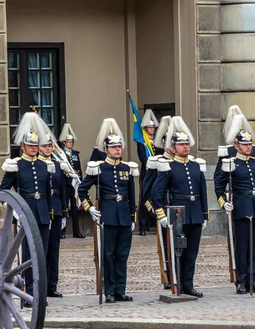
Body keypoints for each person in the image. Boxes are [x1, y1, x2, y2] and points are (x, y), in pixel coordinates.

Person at [78, 118, 139, 303]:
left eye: (119, 147)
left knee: (122, 254)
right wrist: (89, 208)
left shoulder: (126, 168)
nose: (117, 150)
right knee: (108, 255)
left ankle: (121, 289)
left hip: (123, 217)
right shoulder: (99, 169)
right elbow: (82, 190)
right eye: (113, 147)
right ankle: (110, 290)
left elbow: (131, 194)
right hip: (108, 215)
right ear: (106, 150)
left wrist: (132, 215)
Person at [0, 112, 55, 307]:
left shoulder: (44, 166)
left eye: (35, 145)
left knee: (43, 254)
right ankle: (28, 293)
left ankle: (40, 294)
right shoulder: (16, 166)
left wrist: (51, 213)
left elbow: (48, 193)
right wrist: (12, 211)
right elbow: (5, 191)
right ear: (22, 146)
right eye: (30, 145)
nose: (33, 148)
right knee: (28, 257)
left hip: (42, 213)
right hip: (25, 212)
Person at [151, 116, 208, 298]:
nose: (185, 147)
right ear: (173, 147)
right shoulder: (168, 166)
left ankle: (188, 284)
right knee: (178, 251)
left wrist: (204, 214)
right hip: (177, 213)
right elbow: (156, 193)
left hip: (195, 213)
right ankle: (177, 283)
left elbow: (203, 192)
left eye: (187, 144)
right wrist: (161, 214)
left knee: (192, 252)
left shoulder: (195, 166)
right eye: (181, 145)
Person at [215, 113, 255, 294]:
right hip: (240, 206)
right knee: (242, 245)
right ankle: (241, 280)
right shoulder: (230, 163)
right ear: (236, 146)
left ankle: (253, 278)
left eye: (250, 144)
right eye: (245, 144)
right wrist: (224, 203)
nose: (248, 147)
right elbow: (219, 185)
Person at [37, 130, 73, 298]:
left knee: (54, 249)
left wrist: (64, 212)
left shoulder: (58, 164)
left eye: (50, 146)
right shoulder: (35, 165)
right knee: (40, 249)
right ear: (38, 148)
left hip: (56, 209)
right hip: (41, 208)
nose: (48, 149)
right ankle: (40, 286)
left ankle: (52, 285)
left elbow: (63, 189)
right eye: (44, 146)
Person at [142, 115, 174, 289]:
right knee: (166, 246)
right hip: (163, 208)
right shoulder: (157, 162)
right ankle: (167, 275)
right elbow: (147, 192)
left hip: (178, 208)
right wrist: (156, 210)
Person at [137, 110, 164, 235]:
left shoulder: (157, 141)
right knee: (144, 199)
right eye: (150, 127)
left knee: (157, 197)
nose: (152, 129)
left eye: (153, 127)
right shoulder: (142, 142)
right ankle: (142, 226)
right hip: (147, 173)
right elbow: (142, 157)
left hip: (157, 173)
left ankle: (155, 223)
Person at [59, 123, 84, 239]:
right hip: (64, 183)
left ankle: (76, 231)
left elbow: (79, 169)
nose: (71, 143)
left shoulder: (75, 154)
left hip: (74, 184)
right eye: (69, 141)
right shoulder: (61, 154)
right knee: (64, 207)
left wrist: (81, 182)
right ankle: (62, 231)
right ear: (64, 142)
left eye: (72, 141)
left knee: (75, 208)